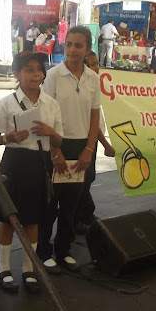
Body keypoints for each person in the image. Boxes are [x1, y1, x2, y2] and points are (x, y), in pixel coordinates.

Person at [0, 51, 64, 293]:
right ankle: (3, 269)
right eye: (28, 69)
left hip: (40, 164)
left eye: (38, 69)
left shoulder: (51, 104)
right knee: (8, 218)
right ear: (17, 74)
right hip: (14, 163)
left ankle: (29, 269)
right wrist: (9, 137)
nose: (35, 74)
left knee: (34, 219)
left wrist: (51, 132)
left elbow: (60, 142)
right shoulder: (6, 103)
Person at [38, 26, 100, 273]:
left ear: (87, 49)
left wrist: (89, 149)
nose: (73, 50)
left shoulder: (93, 78)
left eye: (79, 45)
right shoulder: (53, 75)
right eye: (70, 44)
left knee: (72, 205)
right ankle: (43, 252)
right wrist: (55, 152)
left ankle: (63, 250)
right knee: (50, 204)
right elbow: (45, 117)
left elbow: (95, 117)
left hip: (82, 147)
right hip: (56, 144)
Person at [75, 51, 116, 234]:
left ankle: (85, 215)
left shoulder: (94, 83)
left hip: (92, 140)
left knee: (88, 179)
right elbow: (92, 122)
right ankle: (80, 219)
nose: (96, 67)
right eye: (92, 64)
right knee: (82, 181)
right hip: (85, 140)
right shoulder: (83, 87)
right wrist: (105, 144)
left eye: (97, 63)